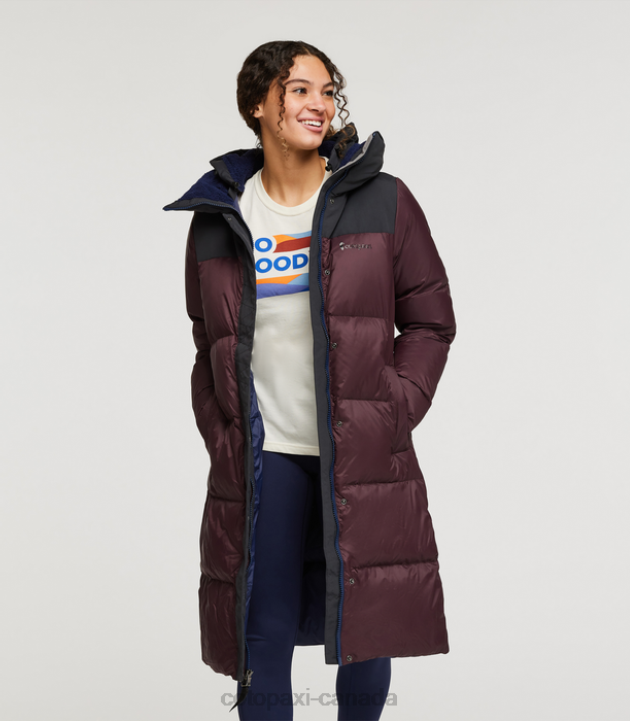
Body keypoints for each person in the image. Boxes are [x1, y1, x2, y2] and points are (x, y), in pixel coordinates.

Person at [163, 40, 457, 720]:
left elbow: (429, 321)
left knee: (364, 627)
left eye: (326, 91)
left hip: (359, 446)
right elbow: (207, 338)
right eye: (298, 90)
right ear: (257, 105)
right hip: (265, 453)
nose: (318, 104)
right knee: (259, 629)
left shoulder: (381, 199)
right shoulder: (221, 214)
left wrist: (395, 407)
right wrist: (222, 427)